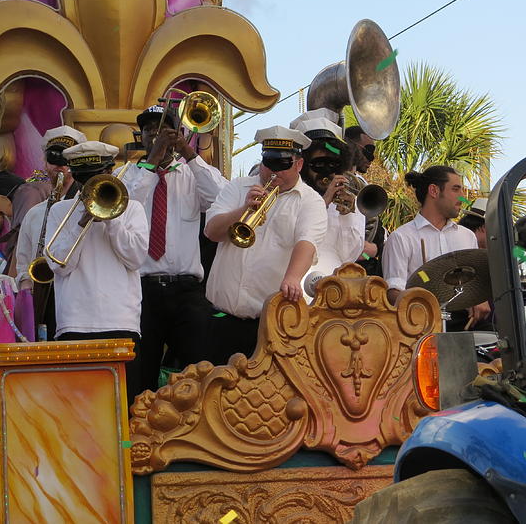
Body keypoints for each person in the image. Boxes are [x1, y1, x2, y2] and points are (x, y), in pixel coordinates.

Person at [122, 105, 227, 394]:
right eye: (148, 130)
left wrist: (190, 154)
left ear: (179, 134)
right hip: (140, 290)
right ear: (140, 136)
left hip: (186, 290)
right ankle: (139, 436)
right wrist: (152, 162)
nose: (155, 135)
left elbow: (222, 199)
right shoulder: (127, 174)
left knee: (201, 374)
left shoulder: (193, 173)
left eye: (162, 129)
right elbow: (122, 207)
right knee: (140, 376)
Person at [203, 125, 327, 364]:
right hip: (220, 320)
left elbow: (307, 242)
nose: (273, 172)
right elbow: (211, 232)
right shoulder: (238, 187)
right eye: (268, 163)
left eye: (282, 165)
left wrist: (292, 278)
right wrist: (243, 210)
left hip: (268, 325)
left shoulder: (310, 201)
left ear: (298, 164)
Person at [45, 141, 149, 405]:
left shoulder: (132, 209)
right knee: (78, 409)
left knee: (124, 407)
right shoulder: (59, 212)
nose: (90, 185)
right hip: (75, 322)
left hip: (120, 322)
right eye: (85, 180)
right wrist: (82, 221)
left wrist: (112, 219)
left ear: (109, 174)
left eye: (98, 178)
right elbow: (59, 265)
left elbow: (135, 258)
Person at [382, 166, 490, 326]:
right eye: (456, 189)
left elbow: (472, 284)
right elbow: (393, 292)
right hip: (422, 325)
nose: (462, 197)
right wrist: (422, 306)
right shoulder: (401, 237)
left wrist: (479, 299)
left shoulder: (467, 236)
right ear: (434, 191)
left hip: (464, 324)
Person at [290, 110, 364, 294]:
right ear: (304, 166)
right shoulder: (289, 194)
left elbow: (350, 255)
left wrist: (347, 216)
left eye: (332, 165)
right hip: (294, 287)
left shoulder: (348, 197)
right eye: (318, 165)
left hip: (335, 290)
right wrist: (322, 203)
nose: (326, 173)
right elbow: (286, 237)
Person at [8, 126, 87, 279]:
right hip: (42, 294)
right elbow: (23, 265)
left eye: (67, 159)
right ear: (45, 163)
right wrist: (26, 283)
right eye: (54, 157)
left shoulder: (89, 207)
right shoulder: (33, 214)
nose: (60, 164)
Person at [344, 125, 383, 275]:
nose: (372, 157)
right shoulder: (330, 181)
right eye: (368, 150)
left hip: (361, 266)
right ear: (351, 146)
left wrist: (375, 249)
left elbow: (377, 236)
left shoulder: (363, 185)